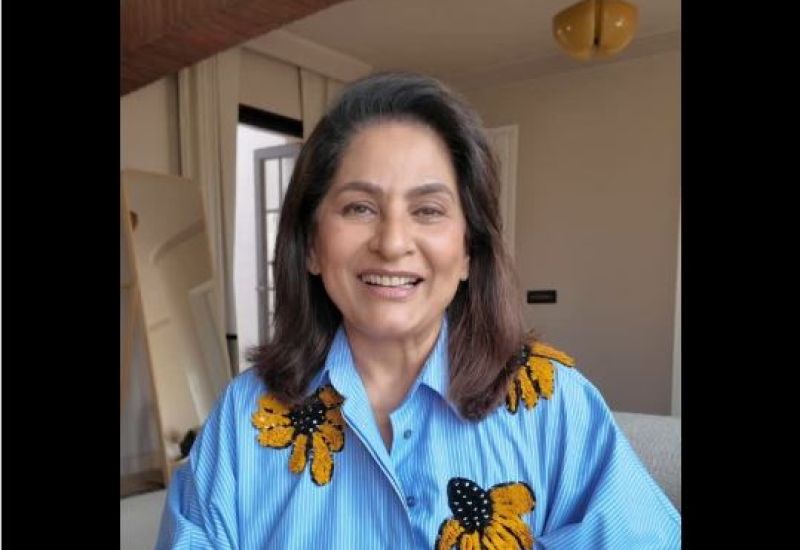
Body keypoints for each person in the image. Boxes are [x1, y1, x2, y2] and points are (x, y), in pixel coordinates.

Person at [156, 72, 680, 549]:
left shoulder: (553, 402)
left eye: (428, 210)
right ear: (311, 244)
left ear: (469, 250)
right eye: (360, 207)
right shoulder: (242, 418)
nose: (392, 242)